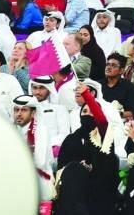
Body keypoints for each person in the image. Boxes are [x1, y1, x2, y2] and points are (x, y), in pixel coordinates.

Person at [54, 83, 122, 215]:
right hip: (73, 190)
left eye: (92, 112)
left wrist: (86, 95)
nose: (88, 115)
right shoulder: (71, 139)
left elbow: (102, 122)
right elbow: (61, 168)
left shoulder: (104, 136)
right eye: (85, 111)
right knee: (73, 169)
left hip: (98, 189)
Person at [11, 95, 55, 201]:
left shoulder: (41, 131)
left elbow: (39, 162)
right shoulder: (9, 130)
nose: (19, 114)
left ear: (33, 113)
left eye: (24, 110)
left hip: (39, 182)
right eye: (16, 110)